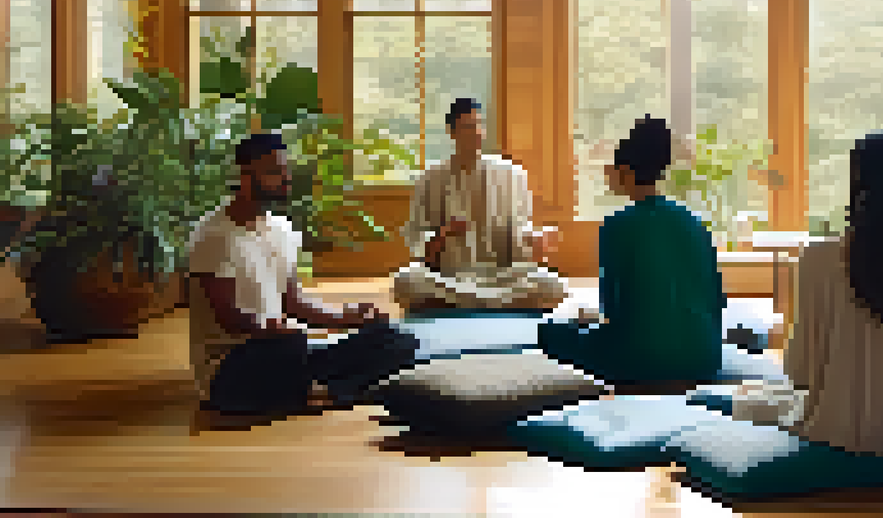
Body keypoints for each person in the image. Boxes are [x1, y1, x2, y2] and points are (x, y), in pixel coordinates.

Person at [731, 133, 883, 456]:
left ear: (853, 182)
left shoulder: (815, 260)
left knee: (749, 400)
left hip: (834, 433)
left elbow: (799, 372)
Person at [189, 133, 419, 417]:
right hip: (231, 367)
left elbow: (295, 304)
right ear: (245, 176)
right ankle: (332, 389)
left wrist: (350, 317)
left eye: (286, 170)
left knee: (396, 340)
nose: (286, 179)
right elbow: (227, 317)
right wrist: (268, 328)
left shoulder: (282, 230)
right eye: (274, 172)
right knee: (289, 345)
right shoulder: (213, 235)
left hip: (287, 353)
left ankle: (322, 391)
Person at [538, 116, 725, 385]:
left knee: (550, 332)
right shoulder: (694, 221)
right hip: (705, 359)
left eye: (611, 168)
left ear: (625, 171)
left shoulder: (617, 224)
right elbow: (716, 301)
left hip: (641, 361)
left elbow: (612, 308)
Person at [392, 98, 568, 313]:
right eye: (468, 126)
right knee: (406, 281)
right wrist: (443, 232)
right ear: (452, 131)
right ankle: (495, 305)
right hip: (451, 278)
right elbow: (418, 239)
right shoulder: (430, 178)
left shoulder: (512, 174)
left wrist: (535, 238)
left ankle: (462, 305)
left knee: (553, 285)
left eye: (479, 124)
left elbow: (522, 229)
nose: (476, 132)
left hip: (502, 277)